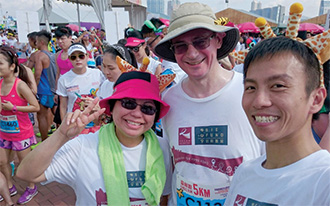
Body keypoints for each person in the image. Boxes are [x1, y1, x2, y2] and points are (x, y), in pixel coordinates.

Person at [154, 2, 264, 205]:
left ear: (218, 40)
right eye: (181, 46)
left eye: (200, 41)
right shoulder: (169, 101)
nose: (192, 53)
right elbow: (172, 162)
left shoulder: (250, 94)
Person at [17, 71, 173, 205]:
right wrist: (61, 135)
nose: (137, 114)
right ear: (111, 107)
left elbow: (163, 197)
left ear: (155, 116)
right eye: (128, 103)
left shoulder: (162, 148)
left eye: (148, 108)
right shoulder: (83, 147)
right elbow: (26, 173)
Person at [224, 36, 330, 205]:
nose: (259, 101)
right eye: (251, 87)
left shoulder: (324, 182)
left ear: (316, 99)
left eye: (278, 86)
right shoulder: (244, 173)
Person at [0, 46, 40, 204]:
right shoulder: (0, 83)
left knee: (25, 164)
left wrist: (14, 108)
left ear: (11, 66)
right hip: (3, 131)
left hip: (21, 132)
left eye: (0, 63)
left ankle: (31, 187)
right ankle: (9, 186)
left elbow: (35, 106)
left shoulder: (20, 85)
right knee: (2, 162)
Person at [56, 43, 104, 134]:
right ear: (69, 59)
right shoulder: (64, 79)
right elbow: (63, 106)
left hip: (96, 122)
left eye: (81, 56)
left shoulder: (98, 74)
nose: (78, 59)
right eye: (73, 57)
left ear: (87, 56)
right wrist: (64, 126)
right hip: (75, 125)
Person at [141, 18, 186, 84]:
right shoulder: (165, 58)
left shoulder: (175, 57)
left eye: (150, 44)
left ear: (162, 37)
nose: (150, 48)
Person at [34, 30, 57, 141]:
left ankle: (44, 142)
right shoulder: (53, 54)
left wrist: (33, 89)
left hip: (44, 90)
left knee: (41, 116)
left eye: (37, 41)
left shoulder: (40, 56)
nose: (35, 44)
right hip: (54, 90)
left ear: (42, 42)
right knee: (57, 116)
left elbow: (37, 75)